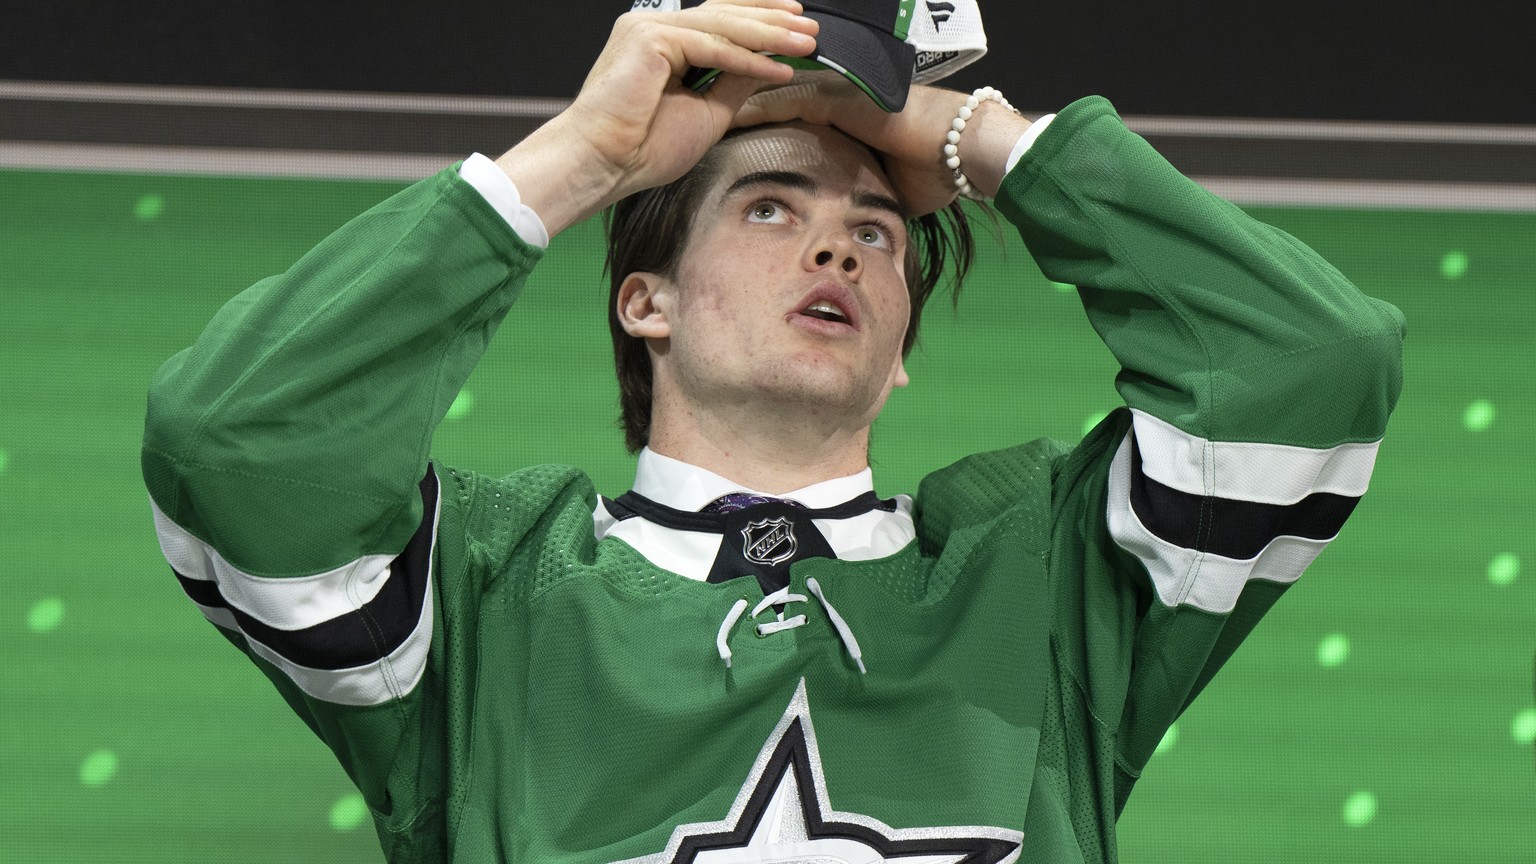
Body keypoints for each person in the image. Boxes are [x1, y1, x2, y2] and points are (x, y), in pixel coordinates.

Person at [142, 0, 1405, 860]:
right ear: (647, 301)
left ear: (900, 347)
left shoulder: (1038, 573)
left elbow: (1309, 360)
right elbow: (235, 437)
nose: (833, 245)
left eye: (875, 230)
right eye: (765, 207)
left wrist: (975, 139)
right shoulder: (482, 593)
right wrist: (583, 156)